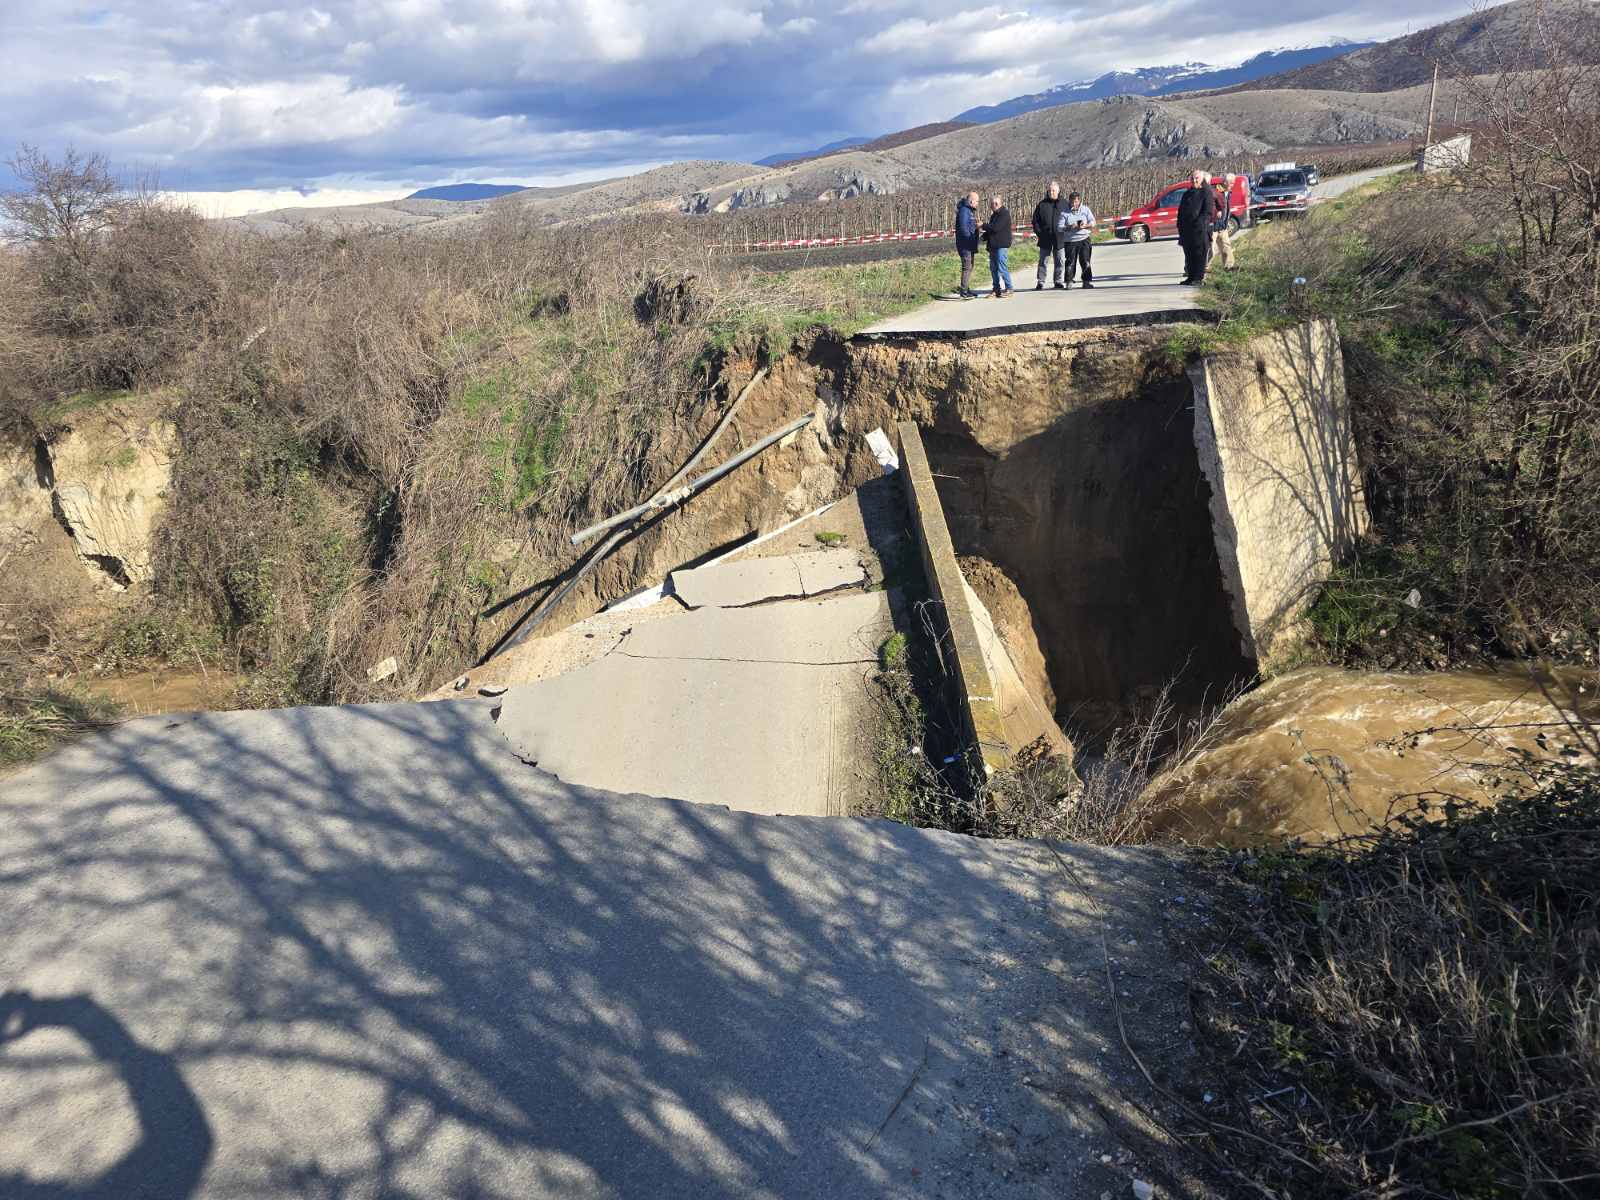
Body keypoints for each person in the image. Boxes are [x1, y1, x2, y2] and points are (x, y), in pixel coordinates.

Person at [1176, 169, 1217, 285]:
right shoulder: (1187, 194)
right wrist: (1179, 225)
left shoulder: (1206, 192)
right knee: (1189, 255)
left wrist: (1200, 224)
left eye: (1197, 178)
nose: (1194, 180)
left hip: (1200, 230)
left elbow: (1208, 212)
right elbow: (1181, 211)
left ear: (1202, 179)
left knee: (1199, 255)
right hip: (1186, 230)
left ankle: (1198, 279)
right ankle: (1191, 277)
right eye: (1192, 178)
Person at [1058, 190, 1095, 288]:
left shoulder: (1085, 210)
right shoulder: (1064, 212)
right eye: (1072, 202)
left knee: (1085, 261)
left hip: (1084, 239)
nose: (1074, 204)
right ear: (1069, 201)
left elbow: (1093, 222)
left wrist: (1085, 225)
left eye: (1076, 201)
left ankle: (1086, 282)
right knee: (1070, 262)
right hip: (1070, 241)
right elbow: (1059, 227)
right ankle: (1069, 281)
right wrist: (1070, 227)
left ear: (1079, 201)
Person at [1031, 181, 1063, 290]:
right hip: (1045, 238)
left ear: (1058, 191)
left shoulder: (1064, 203)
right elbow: (1035, 221)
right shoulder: (1042, 204)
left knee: (1059, 260)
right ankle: (1040, 282)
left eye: (1053, 190)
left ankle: (1058, 281)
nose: (1051, 192)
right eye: (1050, 190)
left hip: (1060, 238)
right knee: (1043, 261)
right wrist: (1039, 233)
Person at [981, 195, 1013, 298]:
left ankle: (1009, 288)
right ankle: (996, 289)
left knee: (1002, 267)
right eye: (992, 203)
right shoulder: (994, 215)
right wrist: (982, 237)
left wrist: (983, 225)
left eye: (995, 203)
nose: (993, 205)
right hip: (993, 246)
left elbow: (995, 228)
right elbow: (991, 230)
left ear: (999, 204)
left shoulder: (1004, 214)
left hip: (1001, 246)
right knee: (993, 269)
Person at [954, 190, 981, 298]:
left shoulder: (968, 210)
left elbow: (969, 226)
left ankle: (966, 288)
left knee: (970, 266)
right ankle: (964, 291)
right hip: (965, 244)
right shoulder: (964, 211)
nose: (978, 203)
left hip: (970, 244)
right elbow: (964, 228)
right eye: (977, 201)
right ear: (971, 201)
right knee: (967, 266)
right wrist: (970, 238)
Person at [1210, 173, 1237, 271]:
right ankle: (1204, 268)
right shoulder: (1215, 191)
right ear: (1225, 182)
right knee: (1210, 249)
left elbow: (1226, 208)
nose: (1233, 185)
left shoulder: (1228, 192)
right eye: (1231, 183)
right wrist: (1217, 211)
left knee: (1226, 246)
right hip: (1213, 225)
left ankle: (1229, 267)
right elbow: (1211, 205)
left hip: (1222, 225)